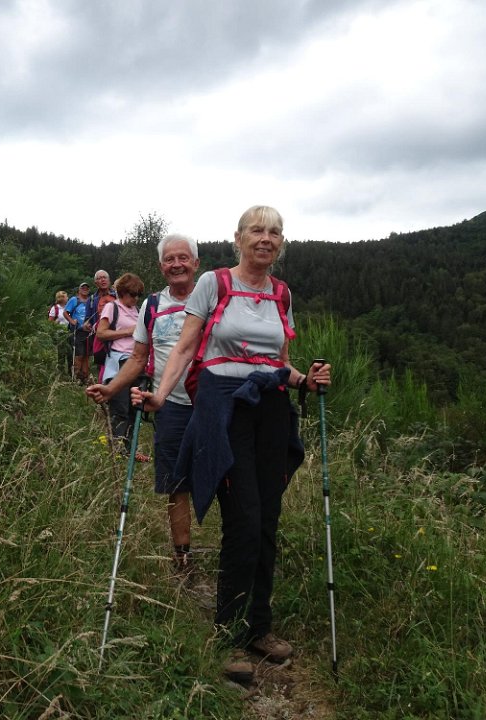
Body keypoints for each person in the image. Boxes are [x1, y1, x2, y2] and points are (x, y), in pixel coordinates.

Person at [133, 206, 331, 683]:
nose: (266, 238)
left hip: (271, 407)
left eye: (274, 232)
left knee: (266, 518)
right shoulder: (214, 283)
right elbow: (186, 347)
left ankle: (259, 626)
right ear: (238, 238)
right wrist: (160, 394)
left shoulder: (281, 293)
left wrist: (306, 380)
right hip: (224, 407)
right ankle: (229, 632)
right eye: (257, 230)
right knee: (243, 516)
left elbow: (279, 360)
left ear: (281, 242)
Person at [86, 234, 200, 575]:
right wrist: (111, 389)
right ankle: (182, 557)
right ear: (161, 267)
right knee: (177, 484)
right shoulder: (151, 306)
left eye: (183, 258)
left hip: (213, 404)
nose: (176, 264)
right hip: (170, 406)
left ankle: (233, 558)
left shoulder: (213, 300)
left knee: (224, 479)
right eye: (169, 259)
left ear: (196, 263)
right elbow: (138, 358)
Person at [94, 272, 148, 461]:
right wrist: (128, 331)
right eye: (132, 294)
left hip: (138, 363)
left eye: (138, 295)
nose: (135, 298)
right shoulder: (112, 307)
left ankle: (130, 450)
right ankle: (116, 450)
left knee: (135, 409)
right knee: (120, 408)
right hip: (118, 363)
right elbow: (101, 333)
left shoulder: (138, 310)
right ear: (122, 292)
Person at [63, 282, 94, 383]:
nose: (85, 289)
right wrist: (72, 321)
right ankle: (76, 377)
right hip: (77, 331)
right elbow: (65, 312)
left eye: (86, 288)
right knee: (78, 354)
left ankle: (84, 377)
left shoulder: (91, 300)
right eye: (83, 288)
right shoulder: (74, 300)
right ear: (79, 290)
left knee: (86, 355)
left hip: (88, 332)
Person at [48, 290, 72, 377]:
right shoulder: (55, 308)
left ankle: (70, 372)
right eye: (66, 297)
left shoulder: (69, 307)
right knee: (61, 354)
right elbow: (50, 322)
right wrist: (55, 325)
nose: (67, 298)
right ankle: (61, 374)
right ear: (61, 298)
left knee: (70, 353)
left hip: (70, 332)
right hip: (60, 334)